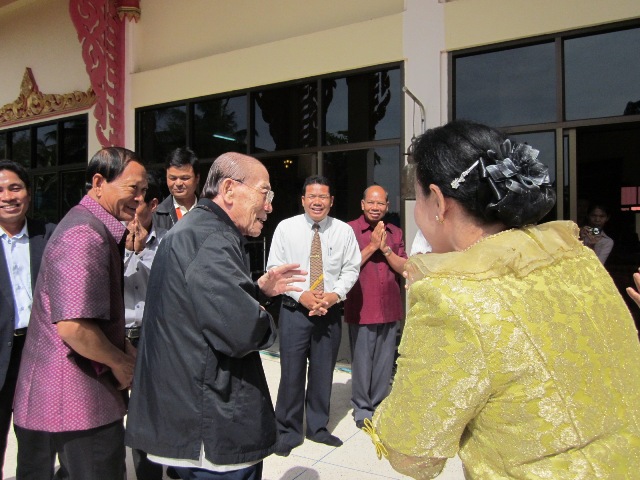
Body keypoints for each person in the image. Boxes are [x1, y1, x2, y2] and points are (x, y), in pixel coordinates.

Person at [367, 120, 640, 479]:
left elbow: (412, 453)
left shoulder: (452, 297)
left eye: (416, 198)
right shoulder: (578, 259)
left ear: (438, 201)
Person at [126, 152, 306, 480]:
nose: (269, 206)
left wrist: (257, 292)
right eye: (265, 193)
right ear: (229, 189)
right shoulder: (211, 238)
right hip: (211, 423)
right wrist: (264, 318)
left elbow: (203, 308)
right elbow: (242, 332)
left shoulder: (197, 229)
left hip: (193, 412)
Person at [13, 147, 145, 480]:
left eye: (144, 191)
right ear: (99, 182)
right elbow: (74, 327)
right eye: (133, 188)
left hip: (73, 399)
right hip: (77, 402)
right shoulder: (84, 233)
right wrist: (121, 362)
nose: (140, 199)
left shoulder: (91, 226)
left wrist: (123, 347)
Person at [267, 175, 361, 456]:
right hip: (294, 310)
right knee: (291, 373)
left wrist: (334, 296)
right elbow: (274, 268)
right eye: (312, 196)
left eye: (323, 197)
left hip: (328, 312)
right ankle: (287, 431)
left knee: (323, 373)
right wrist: (302, 295)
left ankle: (318, 427)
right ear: (303, 200)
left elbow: (351, 268)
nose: (317, 202)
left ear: (331, 201)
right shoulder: (286, 228)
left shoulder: (344, 231)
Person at [0, 160, 57, 479]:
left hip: (37, 355)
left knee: (38, 448)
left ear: (29, 193)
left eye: (15, 188)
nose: (8, 196)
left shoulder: (48, 235)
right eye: (0, 190)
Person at [344, 185, 407, 429]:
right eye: (371, 202)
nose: (375, 207)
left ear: (387, 206)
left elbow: (404, 267)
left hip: (389, 305)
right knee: (362, 361)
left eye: (380, 203)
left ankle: (379, 405)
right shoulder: (349, 230)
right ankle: (362, 408)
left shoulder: (395, 232)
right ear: (362, 204)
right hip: (362, 306)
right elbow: (344, 266)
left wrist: (386, 249)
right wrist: (371, 247)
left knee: (384, 361)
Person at [123, 174, 167, 480]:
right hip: (118, 339)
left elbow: (170, 283)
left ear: (153, 205)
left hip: (153, 339)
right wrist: (126, 252)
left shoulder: (167, 241)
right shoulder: (110, 238)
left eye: (137, 203)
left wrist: (140, 254)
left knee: (147, 414)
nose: (130, 209)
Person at [153, 147, 200, 230]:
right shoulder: (156, 215)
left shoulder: (210, 211)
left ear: (197, 178)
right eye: (173, 178)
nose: (178, 183)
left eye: (184, 178)